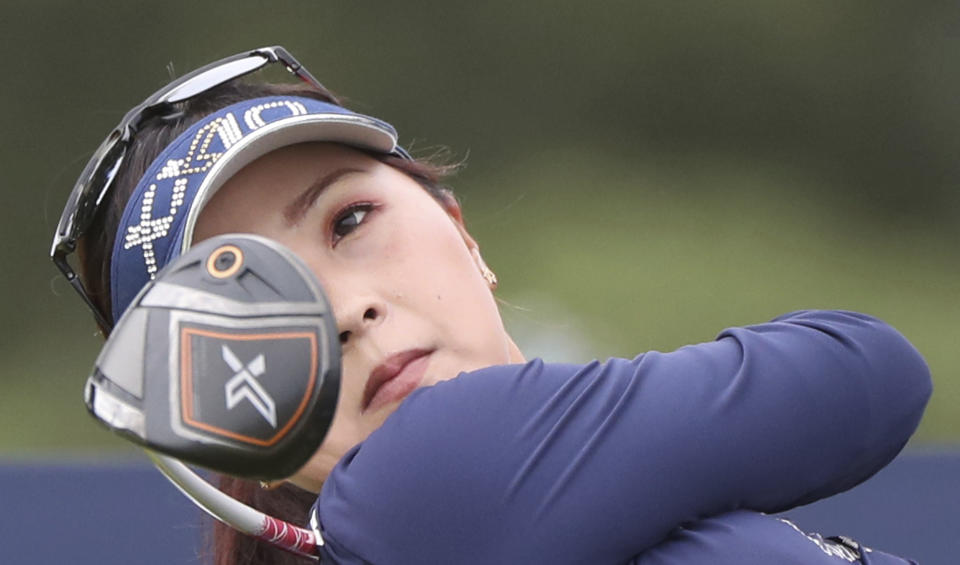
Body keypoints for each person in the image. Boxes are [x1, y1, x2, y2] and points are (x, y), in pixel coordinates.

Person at [52, 47, 932, 564]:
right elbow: (869, 367)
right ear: (217, 429)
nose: (344, 312)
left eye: (349, 219)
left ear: (459, 231)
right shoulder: (419, 484)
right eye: (247, 307)